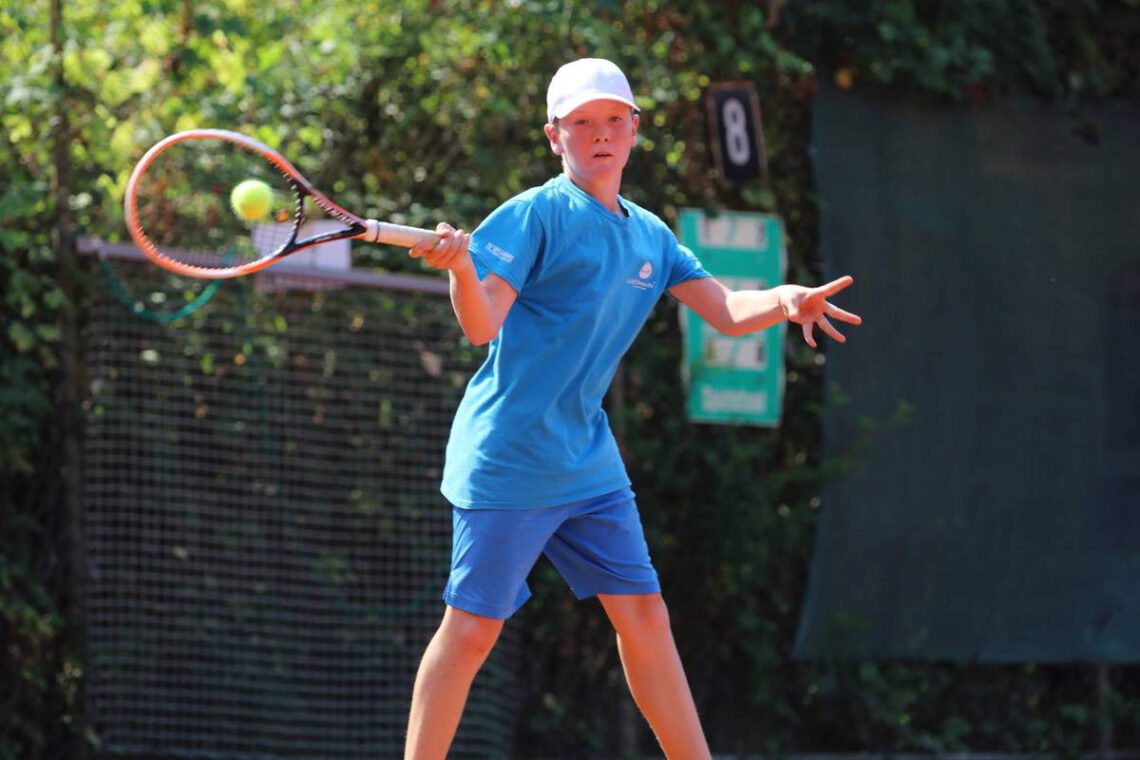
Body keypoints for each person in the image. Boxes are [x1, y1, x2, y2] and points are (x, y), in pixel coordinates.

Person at [403, 57, 861, 760]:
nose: (600, 134)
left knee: (645, 615)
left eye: (614, 119)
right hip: (509, 455)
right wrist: (463, 268)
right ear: (555, 137)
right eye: (582, 123)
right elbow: (480, 325)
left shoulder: (650, 235)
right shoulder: (532, 216)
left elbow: (730, 311)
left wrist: (784, 299)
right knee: (471, 631)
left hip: (587, 460)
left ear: (635, 130)